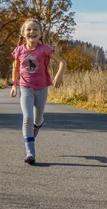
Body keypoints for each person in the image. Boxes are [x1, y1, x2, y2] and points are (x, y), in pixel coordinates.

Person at [10, 18, 67, 165]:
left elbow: (62, 62)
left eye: (36, 29)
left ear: (41, 33)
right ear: (23, 34)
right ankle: (30, 153)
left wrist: (59, 75)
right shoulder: (19, 51)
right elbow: (15, 68)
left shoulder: (44, 49)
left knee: (37, 119)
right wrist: (14, 85)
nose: (32, 32)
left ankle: (38, 124)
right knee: (27, 118)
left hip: (42, 88)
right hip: (26, 88)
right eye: (28, 29)